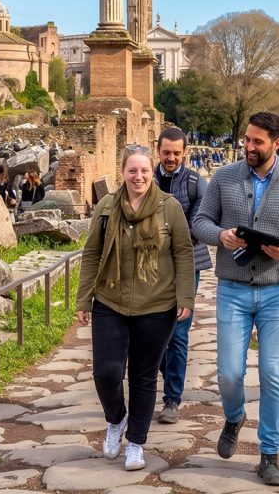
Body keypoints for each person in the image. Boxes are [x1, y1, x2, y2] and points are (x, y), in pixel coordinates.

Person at [191, 112, 279, 486]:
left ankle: (269, 454)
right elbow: (200, 221)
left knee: (272, 374)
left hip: (277, 289)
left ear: (277, 143)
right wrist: (221, 236)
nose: (249, 146)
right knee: (230, 373)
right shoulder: (223, 177)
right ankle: (233, 417)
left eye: (257, 141)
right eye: (247, 140)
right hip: (232, 288)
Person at [76, 146, 194, 472]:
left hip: (157, 305)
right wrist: (84, 299)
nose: (138, 176)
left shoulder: (168, 208)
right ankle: (116, 419)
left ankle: (136, 443)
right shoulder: (106, 208)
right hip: (110, 301)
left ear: (151, 171)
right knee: (106, 372)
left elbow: (183, 253)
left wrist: (185, 297)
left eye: (144, 170)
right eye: (132, 171)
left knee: (143, 377)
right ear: (123, 172)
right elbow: (91, 255)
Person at [152, 126, 212, 424]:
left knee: (177, 331)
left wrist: (166, 236)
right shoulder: (145, 180)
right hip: (149, 267)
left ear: (184, 153)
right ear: (157, 150)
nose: (171, 158)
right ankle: (169, 373)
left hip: (188, 265)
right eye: (166, 152)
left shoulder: (194, 183)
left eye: (177, 153)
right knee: (151, 332)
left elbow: (200, 224)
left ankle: (172, 399)